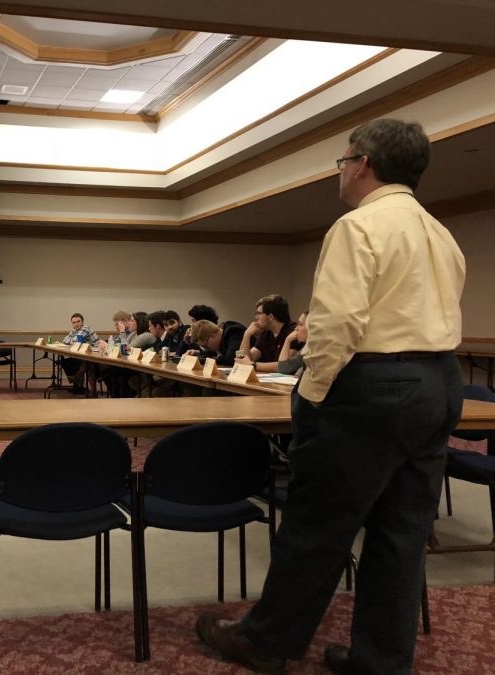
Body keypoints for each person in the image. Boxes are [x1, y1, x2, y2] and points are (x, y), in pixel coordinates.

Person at [196, 119, 466, 675]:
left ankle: (267, 642)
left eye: (341, 162)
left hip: (373, 387)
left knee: (317, 523)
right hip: (440, 381)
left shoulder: (358, 226)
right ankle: (381, 659)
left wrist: (311, 400)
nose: (339, 172)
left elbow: (339, 325)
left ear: (363, 163)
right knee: (402, 531)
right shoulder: (440, 232)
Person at [235, 294, 296, 372]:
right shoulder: (266, 333)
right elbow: (243, 360)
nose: (256, 317)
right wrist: (246, 335)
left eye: (259, 313)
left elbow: (285, 365)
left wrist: (253, 365)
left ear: (270, 316)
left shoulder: (293, 331)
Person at [60, 312, 99, 395]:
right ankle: (78, 385)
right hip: (85, 354)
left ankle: (91, 391)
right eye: (74, 322)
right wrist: (72, 341)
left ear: (82, 322)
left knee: (87, 366)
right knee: (73, 362)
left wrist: (71, 341)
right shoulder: (74, 331)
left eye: (78, 322)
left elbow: (76, 341)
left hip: (95, 354)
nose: (76, 324)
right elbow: (65, 340)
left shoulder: (85, 328)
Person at [277, 311, 308, 376]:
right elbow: (283, 369)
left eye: (300, 324)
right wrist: (287, 341)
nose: (296, 328)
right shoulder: (306, 348)